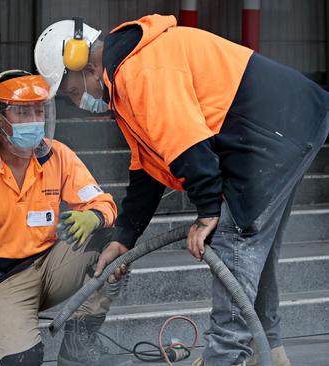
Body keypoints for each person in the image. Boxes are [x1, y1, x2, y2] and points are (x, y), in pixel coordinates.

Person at [34, 15, 329, 366]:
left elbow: (185, 143)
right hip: (285, 127)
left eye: (72, 90)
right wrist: (124, 237)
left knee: (234, 247)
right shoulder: (125, 79)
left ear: (80, 60)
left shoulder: (140, 71)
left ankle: (226, 358)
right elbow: (146, 168)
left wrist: (207, 212)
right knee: (252, 256)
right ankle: (271, 355)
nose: (79, 100)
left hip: (273, 132)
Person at [0, 71, 128, 366]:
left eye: (38, 110)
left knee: (114, 244)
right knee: (22, 359)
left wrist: (95, 217)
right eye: (22, 111)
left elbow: (103, 203)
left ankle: (77, 348)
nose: (34, 120)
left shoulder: (58, 156)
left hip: (50, 268)